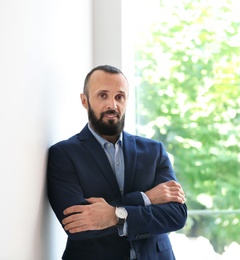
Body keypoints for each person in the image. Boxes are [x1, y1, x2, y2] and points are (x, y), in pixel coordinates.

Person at [47, 65, 187, 260]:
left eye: (119, 97)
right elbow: (77, 224)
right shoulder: (63, 154)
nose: (112, 105)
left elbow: (176, 215)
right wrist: (145, 199)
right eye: (102, 95)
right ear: (84, 101)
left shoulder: (153, 151)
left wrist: (114, 214)